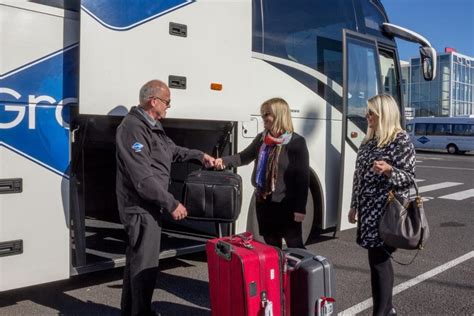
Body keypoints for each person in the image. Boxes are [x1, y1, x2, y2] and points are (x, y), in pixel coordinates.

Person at [115, 79, 215, 316]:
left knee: (137, 263)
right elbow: (142, 178)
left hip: (148, 207)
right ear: (154, 100)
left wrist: (200, 156)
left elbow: (174, 151)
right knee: (145, 265)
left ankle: (132, 311)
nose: (169, 106)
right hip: (139, 208)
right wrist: (171, 203)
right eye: (167, 101)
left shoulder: (152, 127)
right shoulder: (132, 128)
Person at [348, 94, 416, 316]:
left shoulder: (400, 140)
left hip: (387, 212)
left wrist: (389, 171)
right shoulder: (368, 142)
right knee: (376, 260)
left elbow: (409, 178)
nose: (367, 116)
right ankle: (387, 310)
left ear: (384, 114)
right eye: (367, 112)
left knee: (379, 261)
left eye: (371, 112)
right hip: (368, 211)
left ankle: (383, 311)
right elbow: (358, 177)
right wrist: (353, 205)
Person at [215, 97, 309, 249]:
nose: (263, 118)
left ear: (279, 115)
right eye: (263, 114)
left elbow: (302, 178)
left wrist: (300, 209)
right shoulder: (262, 139)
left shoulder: (296, 142)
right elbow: (243, 157)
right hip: (264, 202)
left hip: (286, 205)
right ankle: (278, 273)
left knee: (295, 246)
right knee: (272, 245)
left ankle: (300, 273)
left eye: (267, 114)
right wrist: (222, 161)